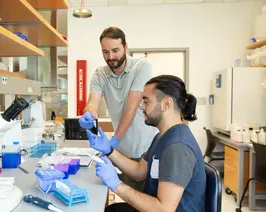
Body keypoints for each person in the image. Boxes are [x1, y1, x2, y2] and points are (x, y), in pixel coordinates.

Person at [87, 75, 206, 212]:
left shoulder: (177, 147)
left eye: (146, 101)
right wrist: (109, 150)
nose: (141, 107)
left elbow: (164, 209)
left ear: (166, 104)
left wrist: (117, 185)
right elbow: (139, 171)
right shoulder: (162, 137)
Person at [79, 27, 157, 190]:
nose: (111, 57)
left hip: (145, 150)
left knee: (145, 200)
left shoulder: (142, 67)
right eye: (105, 52)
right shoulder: (100, 74)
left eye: (115, 50)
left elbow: (131, 109)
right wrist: (89, 113)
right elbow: (93, 101)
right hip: (122, 151)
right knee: (128, 198)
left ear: (126, 47)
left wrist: (112, 143)